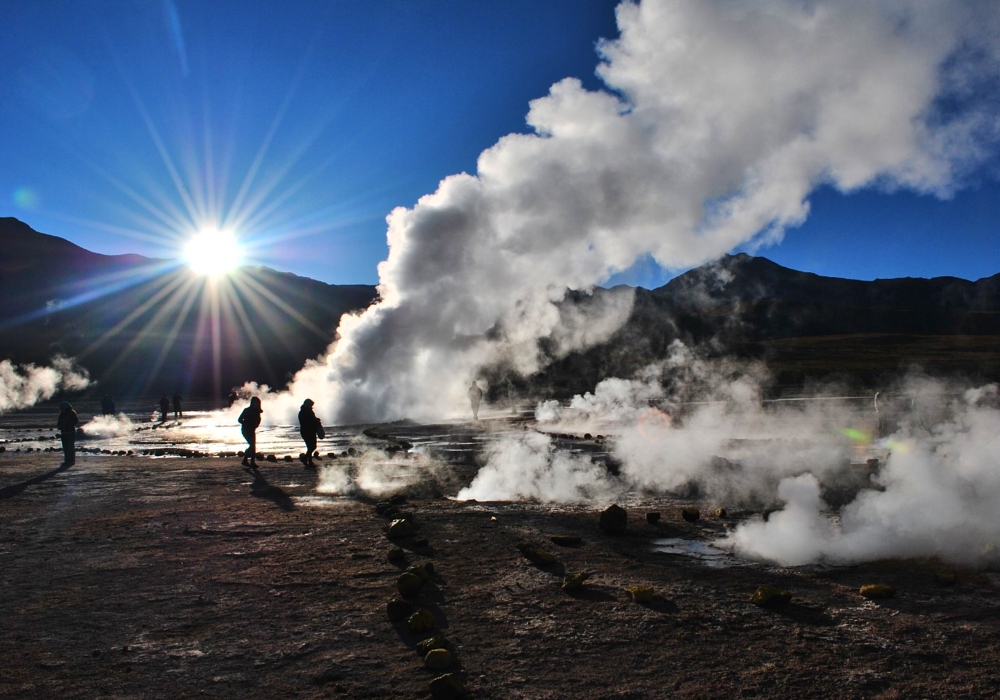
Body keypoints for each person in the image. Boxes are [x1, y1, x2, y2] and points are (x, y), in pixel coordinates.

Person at [297, 398, 325, 469]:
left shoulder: (307, 411)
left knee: (311, 447)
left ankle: (309, 461)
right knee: (312, 447)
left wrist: (316, 420)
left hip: (309, 431)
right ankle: (306, 459)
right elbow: (308, 421)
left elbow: (312, 419)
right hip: (307, 431)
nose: (311, 406)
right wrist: (316, 421)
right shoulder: (304, 412)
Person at [238, 397, 263, 470]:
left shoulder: (257, 411)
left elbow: (258, 420)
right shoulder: (247, 410)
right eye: (255, 403)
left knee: (253, 446)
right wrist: (246, 423)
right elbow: (239, 420)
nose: (256, 404)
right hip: (245, 430)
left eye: (257, 403)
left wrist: (256, 425)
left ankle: (248, 461)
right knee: (252, 445)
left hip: (252, 430)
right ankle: (249, 461)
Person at [57, 401, 79, 466]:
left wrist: (68, 425)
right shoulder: (62, 414)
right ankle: (67, 460)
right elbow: (59, 422)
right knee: (66, 447)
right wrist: (59, 426)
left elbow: (75, 421)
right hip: (64, 432)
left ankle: (71, 461)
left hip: (70, 432)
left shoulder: (71, 413)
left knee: (70, 447)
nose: (61, 409)